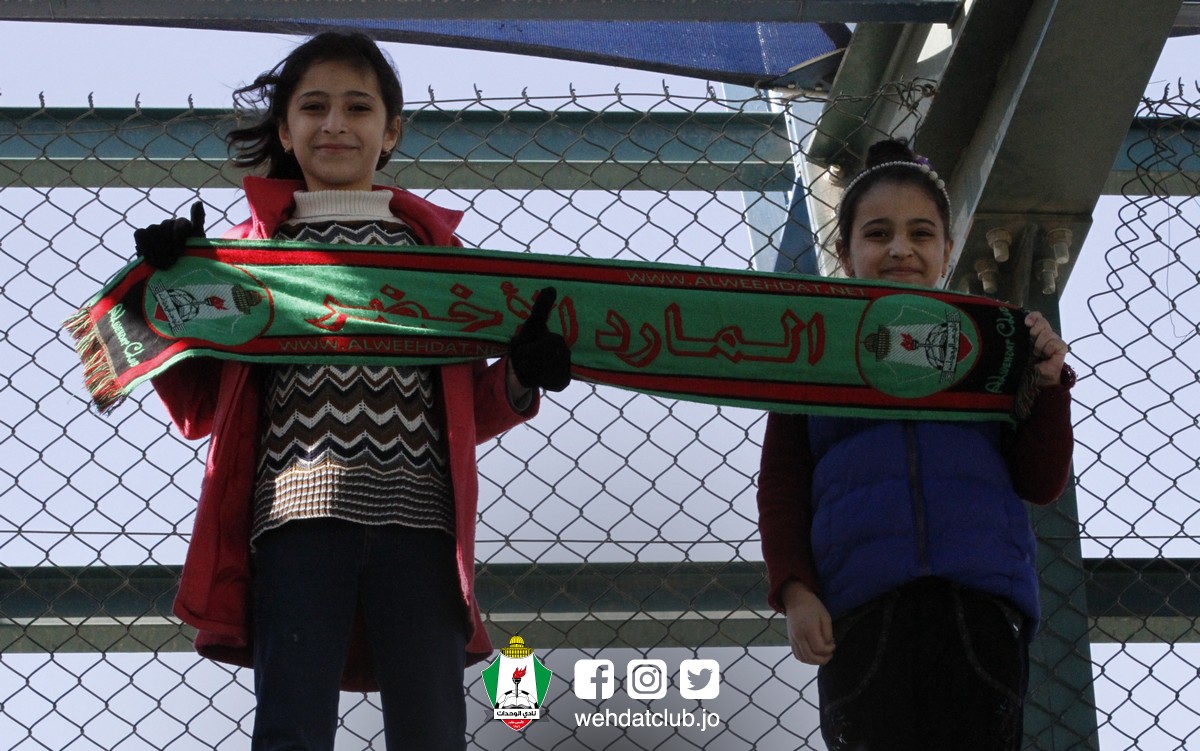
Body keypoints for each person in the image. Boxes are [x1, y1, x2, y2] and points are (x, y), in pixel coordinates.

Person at [133, 31, 571, 750]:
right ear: (285, 130)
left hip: (423, 527)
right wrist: (165, 290)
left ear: (391, 131)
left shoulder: (439, 255)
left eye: (358, 107)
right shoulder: (247, 252)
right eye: (313, 106)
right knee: (291, 730)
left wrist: (522, 375)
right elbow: (200, 404)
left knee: (433, 734)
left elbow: (467, 405)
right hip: (293, 520)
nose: (335, 123)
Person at [756, 138, 1075, 751]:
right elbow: (782, 485)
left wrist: (1047, 383)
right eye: (878, 234)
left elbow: (1040, 480)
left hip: (981, 608)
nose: (900, 249)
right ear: (845, 252)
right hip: (860, 611)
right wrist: (795, 590)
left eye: (921, 234)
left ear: (948, 250)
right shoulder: (812, 355)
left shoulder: (993, 344)